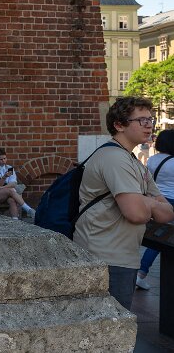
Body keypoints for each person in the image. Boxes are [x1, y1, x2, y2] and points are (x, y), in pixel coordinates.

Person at [74, 97, 174, 310]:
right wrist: (150, 202)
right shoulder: (114, 158)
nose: (149, 125)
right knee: (109, 332)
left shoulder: (134, 161)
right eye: (141, 120)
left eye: (151, 119)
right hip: (106, 257)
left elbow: (167, 213)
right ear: (119, 125)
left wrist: (146, 202)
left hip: (122, 256)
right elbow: (136, 213)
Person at [136, 130, 174, 290]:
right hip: (171, 202)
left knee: (159, 239)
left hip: (157, 201)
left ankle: (141, 272)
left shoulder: (152, 160)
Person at [0, 148, 36, 219]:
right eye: (1, 159)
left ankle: (15, 221)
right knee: (11, 190)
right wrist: (4, 177)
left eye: (5, 158)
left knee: (12, 200)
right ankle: (28, 210)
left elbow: (13, 183)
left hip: (6, 190)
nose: (4, 161)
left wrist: (3, 187)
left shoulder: (9, 168)